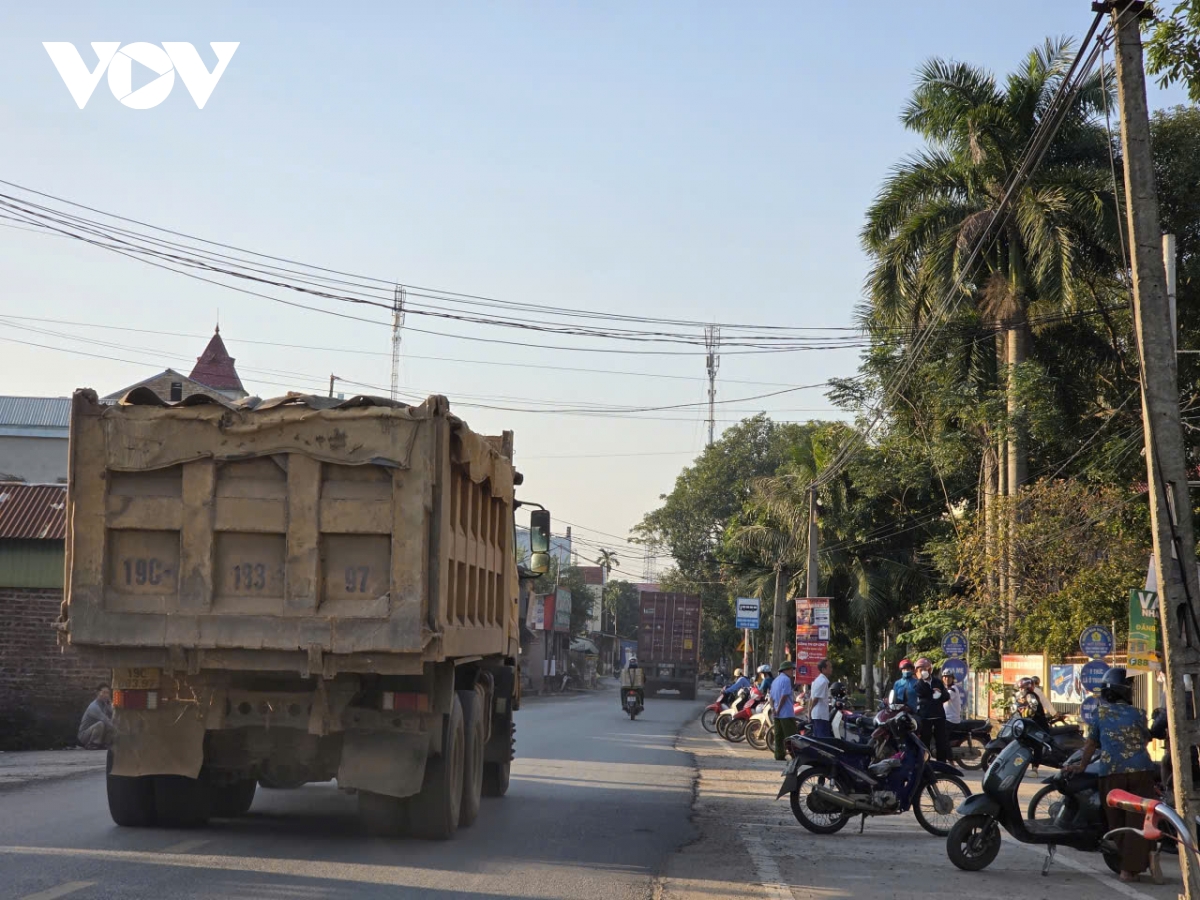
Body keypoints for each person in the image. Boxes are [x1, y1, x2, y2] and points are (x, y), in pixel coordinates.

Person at [1066, 668, 1159, 884]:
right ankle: (1136, 865)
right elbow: (1145, 738)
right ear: (1125, 692)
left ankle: (1127, 869)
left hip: (1112, 773)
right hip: (1142, 771)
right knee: (1138, 819)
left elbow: (1090, 744)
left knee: (1117, 821)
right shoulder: (1139, 713)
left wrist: (1081, 766)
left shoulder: (1100, 714)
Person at [914, 658, 950, 762]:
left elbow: (946, 696)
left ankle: (942, 764)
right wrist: (932, 691)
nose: (924, 671)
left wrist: (940, 694)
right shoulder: (918, 684)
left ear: (930, 670)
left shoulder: (937, 682)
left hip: (939, 716)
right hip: (925, 717)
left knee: (941, 741)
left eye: (926, 669)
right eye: (920, 670)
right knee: (925, 741)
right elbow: (922, 693)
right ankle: (927, 764)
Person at [770, 661, 798, 761]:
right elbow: (784, 696)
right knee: (791, 735)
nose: (792, 671)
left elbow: (771, 697)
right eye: (791, 669)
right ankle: (795, 755)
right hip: (786, 713)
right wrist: (779, 709)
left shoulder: (775, 680)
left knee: (779, 735)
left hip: (777, 714)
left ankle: (779, 755)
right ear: (786, 670)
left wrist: (773, 708)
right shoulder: (786, 680)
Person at [78, 684, 115, 750]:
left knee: (110, 723)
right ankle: (92, 744)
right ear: (98, 693)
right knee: (101, 724)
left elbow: (114, 714)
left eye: (108, 693)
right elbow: (106, 720)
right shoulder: (94, 706)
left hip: (98, 732)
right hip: (84, 736)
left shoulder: (105, 704)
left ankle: (105, 744)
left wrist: (110, 704)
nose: (106, 695)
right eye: (104, 692)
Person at [809, 659, 833, 739]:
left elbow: (811, 698)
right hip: (821, 715)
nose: (831, 669)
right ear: (823, 669)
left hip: (818, 715)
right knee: (822, 740)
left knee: (818, 738)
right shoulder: (823, 681)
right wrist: (810, 711)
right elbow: (815, 699)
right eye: (829, 667)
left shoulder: (817, 680)